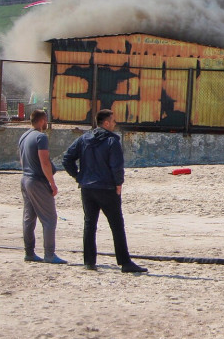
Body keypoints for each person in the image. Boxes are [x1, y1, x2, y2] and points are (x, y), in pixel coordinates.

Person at [62, 109, 147, 273]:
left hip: (88, 188)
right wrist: (119, 183)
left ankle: (89, 261)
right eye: (113, 121)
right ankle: (125, 262)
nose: (115, 123)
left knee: (89, 224)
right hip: (106, 188)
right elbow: (117, 165)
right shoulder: (112, 141)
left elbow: (67, 158)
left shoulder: (84, 138)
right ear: (106, 123)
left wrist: (79, 177)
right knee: (116, 225)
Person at [17, 109, 66, 264]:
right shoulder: (41, 137)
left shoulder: (24, 136)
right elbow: (44, 162)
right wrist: (52, 183)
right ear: (42, 120)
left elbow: (21, 159)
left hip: (25, 179)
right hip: (37, 181)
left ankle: (29, 252)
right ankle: (49, 254)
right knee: (50, 218)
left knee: (29, 218)